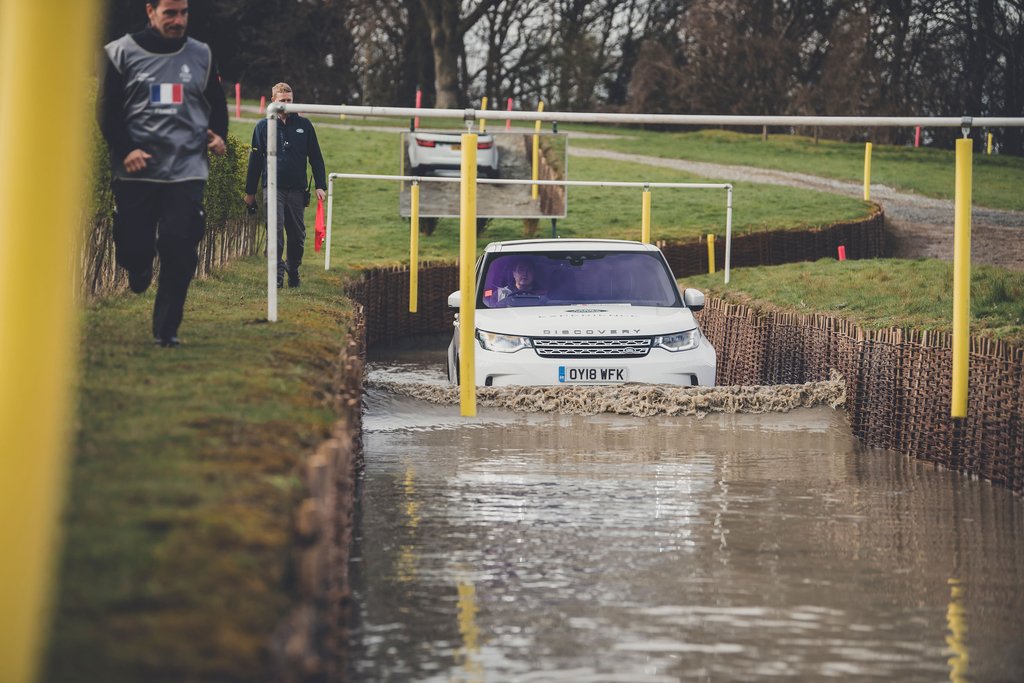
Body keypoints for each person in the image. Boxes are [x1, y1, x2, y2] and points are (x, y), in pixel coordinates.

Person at [98, 0, 228, 347]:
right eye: (170, 13)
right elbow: (108, 110)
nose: (178, 20)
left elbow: (216, 101)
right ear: (150, 11)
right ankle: (138, 265)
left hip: (185, 168)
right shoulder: (121, 53)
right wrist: (126, 149)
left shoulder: (201, 54)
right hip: (137, 169)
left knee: (180, 244)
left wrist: (218, 134)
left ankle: (167, 330)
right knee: (134, 248)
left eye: (183, 12)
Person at [244, 83, 327, 288]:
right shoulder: (262, 127)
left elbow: (316, 157)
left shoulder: (304, 125)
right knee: (275, 232)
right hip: (273, 188)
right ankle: (277, 273)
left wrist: (320, 185)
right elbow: (255, 161)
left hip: (297, 189)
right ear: (273, 100)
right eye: (283, 101)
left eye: (290, 100)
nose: (286, 104)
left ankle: (293, 268)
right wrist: (250, 192)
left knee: (297, 236)